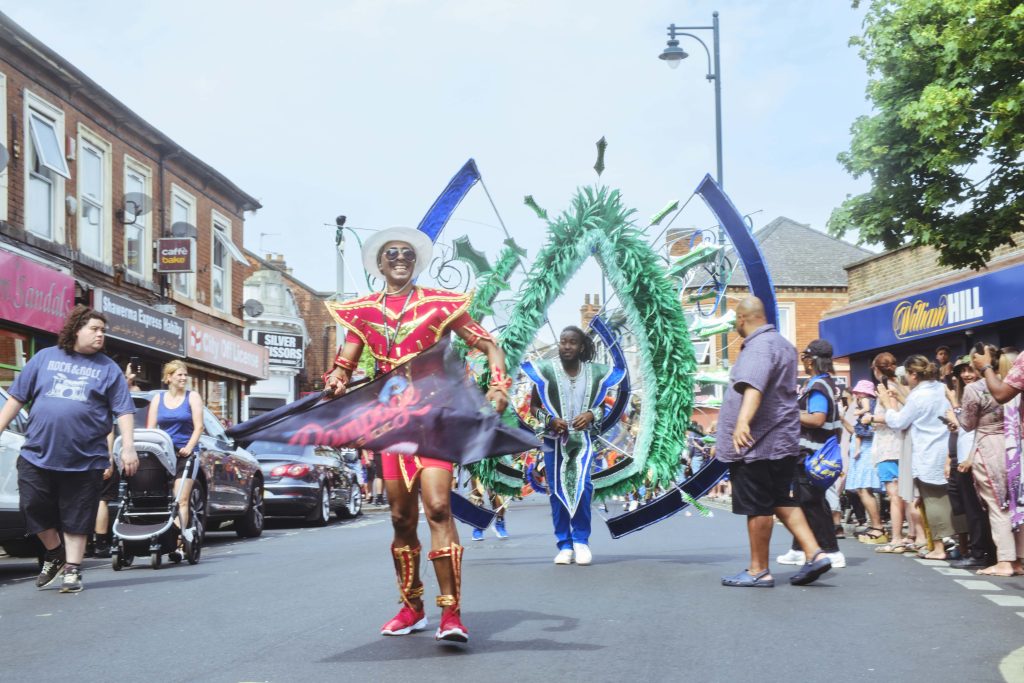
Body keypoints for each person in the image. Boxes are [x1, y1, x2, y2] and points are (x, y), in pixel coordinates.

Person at [322, 226, 510, 643]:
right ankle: (411, 607)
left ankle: (451, 614)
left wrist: (498, 385)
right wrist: (336, 379)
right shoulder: (365, 312)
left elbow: (489, 345)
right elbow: (345, 363)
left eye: (407, 253)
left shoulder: (441, 306)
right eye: (392, 254)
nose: (400, 258)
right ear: (380, 264)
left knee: (439, 508)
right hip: (390, 426)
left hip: (436, 419)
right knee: (400, 518)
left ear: (416, 261)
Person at [0, 305, 139, 593]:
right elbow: (16, 398)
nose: (101, 335)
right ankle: (54, 551)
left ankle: (73, 570)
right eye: (95, 329)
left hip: (85, 458)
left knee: (77, 516)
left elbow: (124, 411)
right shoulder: (44, 358)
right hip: (37, 452)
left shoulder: (108, 369)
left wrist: (128, 448)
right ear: (76, 329)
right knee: (31, 506)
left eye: (103, 330)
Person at [717, 296, 831, 587]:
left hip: (758, 442)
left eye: (735, 322)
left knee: (757, 506)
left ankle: (758, 570)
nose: (735, 328)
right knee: (781, 498)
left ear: (743, 319)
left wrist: (742, 423)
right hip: (782, 440)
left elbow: (754, 385)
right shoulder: (783, 344)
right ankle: (815, 553)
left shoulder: (759, 346)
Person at [524, 325, 624, 566]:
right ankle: (564, 544)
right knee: (557, 491)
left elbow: (601, 406)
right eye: (562, 341)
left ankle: (581, 541)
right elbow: (534, 407)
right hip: (553, 440)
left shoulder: (595, 374)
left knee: (583, 486)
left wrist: (590, 415)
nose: (566, 346)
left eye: (572, 342)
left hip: (582, 440)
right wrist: (550, 419)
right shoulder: (546, 371)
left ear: (581, 347)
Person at [878, 355, 957, 560]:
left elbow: (899, 421)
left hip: (927, 451)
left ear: (914, 374)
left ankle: (939, 548)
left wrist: (888, 404)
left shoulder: (918, 395)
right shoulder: (939, 388)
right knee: (950, 500)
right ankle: (960, 546)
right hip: (947, 448)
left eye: (907, 375)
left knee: (933, 501)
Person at [777, 339, 845, 569]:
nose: (803, 362)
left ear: (813, 360)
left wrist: (788, 413)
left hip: (812, 453)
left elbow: (817, 419)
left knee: (813, 502)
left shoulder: (818, 386)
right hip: (810, 452)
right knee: (801, 502)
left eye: (806, 357)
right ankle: (799, 549)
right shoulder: (822, 383)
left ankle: (831, 550)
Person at [958, 346, 1022, 576]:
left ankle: (1005, 560)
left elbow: (967, 423)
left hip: (989, 447)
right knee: (1018, 502)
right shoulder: (1012, 381)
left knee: (998, 504)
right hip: (1015, 444)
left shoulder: (975, 389)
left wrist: (953, 416)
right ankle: (1019, 559)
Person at [147, 360, 204, 559]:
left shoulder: (192, 397)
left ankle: (178, 544)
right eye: (179, 374)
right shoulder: (157, 399)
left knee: (181, 499)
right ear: (168, 377)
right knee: (155, 497)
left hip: (185, 453)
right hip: (164, 453)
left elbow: (199, 427)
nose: (183, 378)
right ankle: (157, 537)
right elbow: (151, 428)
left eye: (185, 375)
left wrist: (189, 447)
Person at [847, 380, 886, 543]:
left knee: (864, 487)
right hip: (864, 448)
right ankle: (876, 525)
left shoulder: (868, 404)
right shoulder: (871, 402)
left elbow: (866, 429)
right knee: (862, 489)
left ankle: (878, 526)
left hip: (868, 449)